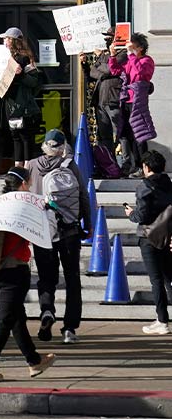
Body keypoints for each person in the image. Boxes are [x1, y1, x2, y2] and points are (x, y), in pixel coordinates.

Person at [0, 167, 56, 382]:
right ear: (22, 185)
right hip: (14, 270)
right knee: (5, 320)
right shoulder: (23, 206)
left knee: (16, 318)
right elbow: (41, 233)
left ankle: (34, 361)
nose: (30, 187)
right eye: (29, 183)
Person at [26, 129, 90, 344]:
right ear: (62, 147)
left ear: (44, 145)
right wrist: (87, 223)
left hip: (42, 230)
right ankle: (70, 328)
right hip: (69, 230)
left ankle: (47, 310)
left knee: (46, 277)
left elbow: (25, 196)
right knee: (72, 278)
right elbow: (83, 194)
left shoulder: (32, 165)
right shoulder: (70, 165)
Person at [125, 150, 172, 335]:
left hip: (148, 236)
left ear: (146, 167)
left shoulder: (145, 186)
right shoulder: (169, 184)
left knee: (156, 280)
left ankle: (162, 321)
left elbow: (142, 215)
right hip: (166, 235)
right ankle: (161, 319)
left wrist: (131, 214)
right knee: (169, 278)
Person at [109, 32, 156, 176]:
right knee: (128, 134)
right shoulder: (131, 59)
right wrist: (112, 56)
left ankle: (145, 166)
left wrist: (132, 55)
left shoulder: (147, 61)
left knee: (139, 135)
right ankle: (135, 165)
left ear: (140, 47)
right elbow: (116, 71)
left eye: (133, 45)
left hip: (138, 101)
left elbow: (140, 73)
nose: (129, 48)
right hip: (126, 100)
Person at [0, 28, 43, 167]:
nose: (4, 41)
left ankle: (27, 168)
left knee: (25, 137)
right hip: (11, 105)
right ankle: (18, 167)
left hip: (23, 106)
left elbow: (34, 82)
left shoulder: (25, 59)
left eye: (6, 38)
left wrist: (21, 74)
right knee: (15, 136)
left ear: (12, 40)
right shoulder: (6, 59)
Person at [83, 39, 122, 157]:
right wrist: (85, 64)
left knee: (120, 133)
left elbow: (109, 69)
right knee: (104, 134)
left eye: (109, 38)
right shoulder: (104, 57)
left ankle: (125, 163)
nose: (107, 42)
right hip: (100, 100)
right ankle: (107, 163)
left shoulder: (122, 54)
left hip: (114, 99)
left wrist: (100, 61)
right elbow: (91, 74)